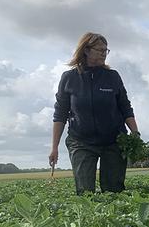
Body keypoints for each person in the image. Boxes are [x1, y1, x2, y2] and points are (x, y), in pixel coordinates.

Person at [50, 32, 139, 194]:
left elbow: (125, 107)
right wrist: (54, 147)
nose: (104, 53)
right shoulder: (69, 78)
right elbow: (60, 114)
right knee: (85, 193)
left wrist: (135, 133)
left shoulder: (112, 77)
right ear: (86, 50)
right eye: (99, 50)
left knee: (114, 191)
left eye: (106, 50)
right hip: (81, 141)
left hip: (114, 141)